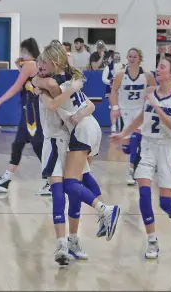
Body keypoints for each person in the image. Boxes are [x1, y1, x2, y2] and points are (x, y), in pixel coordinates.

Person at [111, 57, 171, 259]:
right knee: (143, 194)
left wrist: (156, 107)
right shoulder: (150, 92)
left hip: (167, 149)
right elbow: (141, 118)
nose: (157, 69)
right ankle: (152, 241)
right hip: (147, 146)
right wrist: (123, 134)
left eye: (162, 67)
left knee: (165, 203)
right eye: (157, 65)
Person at [37, 43, 121, 241]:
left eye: (44, 61)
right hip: (93, 127)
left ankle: (104, 210)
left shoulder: (56, 84)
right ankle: (101, 218)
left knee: (70, 183)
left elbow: (52, 102)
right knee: (84, 175)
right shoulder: (70, 78)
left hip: (81, 130)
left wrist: (37, 84)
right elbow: (90, 105)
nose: (41, 65)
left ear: (54, 62)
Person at [0, 38, 50, 195]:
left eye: (22, 51)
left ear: (27, 51)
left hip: (32, 110)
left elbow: (16, 87)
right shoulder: (33, 64)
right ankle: (6, 179)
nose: (20, 54)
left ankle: (52, 180)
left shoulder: (29, 65)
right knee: (18, 144)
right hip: (29, 109)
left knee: (37, 144)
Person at [110, 48, 156, 185]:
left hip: (140, 111)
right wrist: (115, 108)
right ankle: (136, 160)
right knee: (127, 148)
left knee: (136, 139)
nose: (132, 58)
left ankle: (132, 171)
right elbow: (114, 91)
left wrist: (151, 101)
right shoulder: (120, 75)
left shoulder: (147, 75)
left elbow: (154, 90)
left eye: (135, 56)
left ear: (139, 58)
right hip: (125, 111)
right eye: (130, 56)